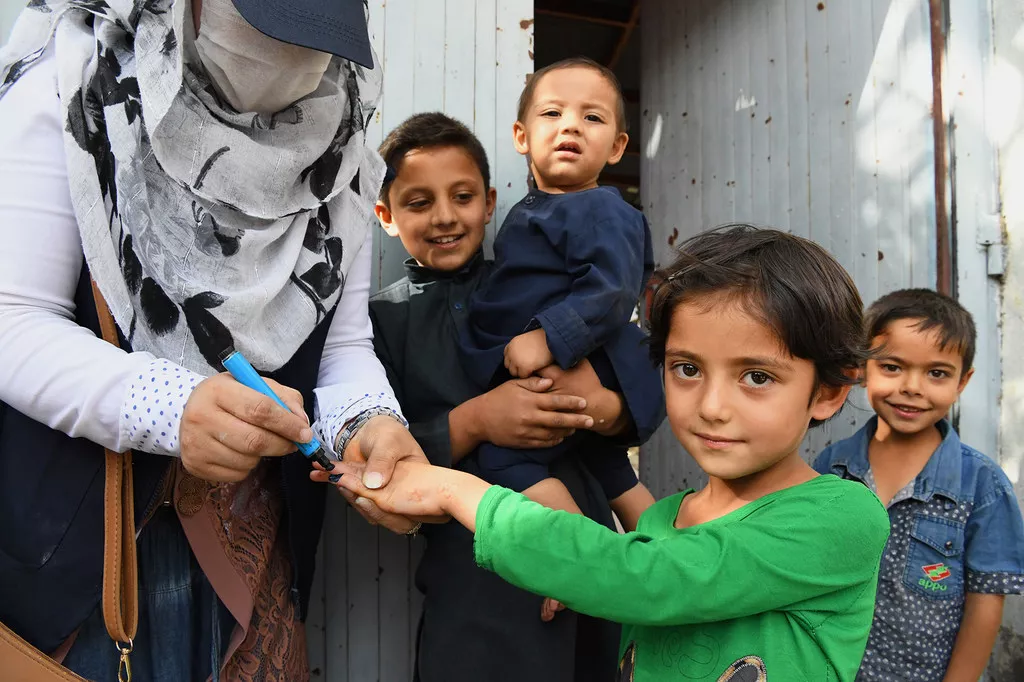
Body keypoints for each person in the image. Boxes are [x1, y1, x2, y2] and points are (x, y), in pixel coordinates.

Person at [0, 1, 429, 679]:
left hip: (250, 563)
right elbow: (13, 319)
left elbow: (341, 346)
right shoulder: (81, 84)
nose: (284, 52)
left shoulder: (337, 141)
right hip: (89, 566)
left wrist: (369, 423)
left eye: (313, 33)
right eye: (263, 17)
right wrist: (169, 405)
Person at [319, 224, 893, 682]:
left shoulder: (840, 515)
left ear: (828, 392)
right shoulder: (667, 518)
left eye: (757, 377)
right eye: (687, 369)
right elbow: (626, 585)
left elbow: (645, 578)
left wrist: (453, 487)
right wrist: (571, 576)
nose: (713, 406)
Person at [364, 111, 664, 681]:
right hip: (471, 573)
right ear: (386, 215)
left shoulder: (539, 292)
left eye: (462, 196)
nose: (446, 217)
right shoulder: (379, 324)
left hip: (588, 549)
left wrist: (600, 407)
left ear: (490, 202)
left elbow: (630, 366)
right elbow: (381, 453)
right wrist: (476, 422)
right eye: (419, 202)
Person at [457, 57, 657, 517]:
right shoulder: (532, 209)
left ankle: (576, 552)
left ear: (616, 147)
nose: (571, 126)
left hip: (579, 357)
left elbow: (611, 291)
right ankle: (662, 544)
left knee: (503, 457)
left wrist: (549, 338)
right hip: (551, 359)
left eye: (592, 117)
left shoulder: (602, 209)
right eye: (553, 113)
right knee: (605, 463)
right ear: (522, 137)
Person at [813, 289, 1024, 682]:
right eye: (892, 367)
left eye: (937, 373)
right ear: (862, 368)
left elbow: (985, 605)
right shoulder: (832, 467)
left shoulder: (982, 485)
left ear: (963, 381)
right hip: (830, 670)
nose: (912, 386)